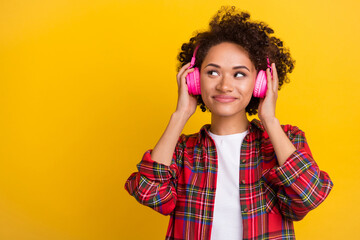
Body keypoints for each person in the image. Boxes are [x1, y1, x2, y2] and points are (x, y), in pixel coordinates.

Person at [124, 6, 334, 240]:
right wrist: (180, 115)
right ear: (194, 80)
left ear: (261, 82)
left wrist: (270, 120)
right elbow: (149, 193)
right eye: (213, 72)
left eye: (240, 74)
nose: (224, 86)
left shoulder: (285, 140)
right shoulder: (182, 151)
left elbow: (309, 195)